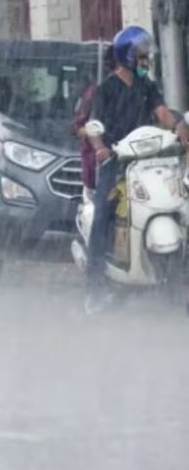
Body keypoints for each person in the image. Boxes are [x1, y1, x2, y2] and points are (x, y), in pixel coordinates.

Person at [84, 26, 189, 312]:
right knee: (104, 216)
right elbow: (93, 128)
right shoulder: (106, 89)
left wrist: (179, 126)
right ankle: (94, 289)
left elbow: (162, 112)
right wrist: (101, 149)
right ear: (126, 57)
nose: (146, 62)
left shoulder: (147, 86)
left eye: (146, 57)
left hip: (149, 158)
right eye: (141, 57)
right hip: (116, 162)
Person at [72, 45, 115, 191]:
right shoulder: (95, 93)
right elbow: (79, 128)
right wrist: (99, 145)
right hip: (101, 165)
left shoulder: (139, 90)